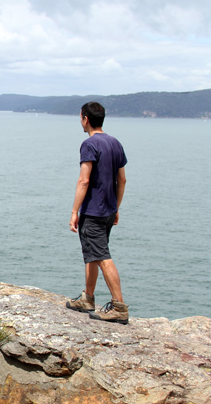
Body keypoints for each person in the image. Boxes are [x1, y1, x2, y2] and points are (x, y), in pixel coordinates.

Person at [65, 101, 129, 324]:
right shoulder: (115, 143)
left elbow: (84, 180)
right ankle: (88, 298)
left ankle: (119, 306)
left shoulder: (89, 145)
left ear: (85, 119)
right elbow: (122, 180)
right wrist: (116, 207)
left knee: (101, 256)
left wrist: (74, 211)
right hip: (109, 210)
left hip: (93, 211)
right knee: (93, 253)